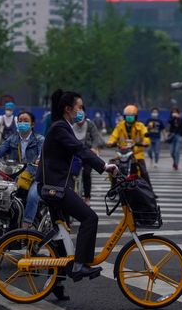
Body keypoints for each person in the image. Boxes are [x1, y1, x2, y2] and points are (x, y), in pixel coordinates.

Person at [39, 89, 118, 284]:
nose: (82, 111)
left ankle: (56, 283)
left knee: (60, 234)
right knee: (89, 217)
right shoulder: (60, 128)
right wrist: (104, 165)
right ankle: (80, 264)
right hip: (54, 187)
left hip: (54, 184)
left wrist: (92, 159)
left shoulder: (63, 127)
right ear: (68, 109)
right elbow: (78, 149)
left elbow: (77, 152)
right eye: (79, 107)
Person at [0, 111, 45, 228]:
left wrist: (39, 160)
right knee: (0, 193)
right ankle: (4, 221)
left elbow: (42, 154)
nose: (22, 123)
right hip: (15, 176)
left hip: (34, 177)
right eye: (20, 121)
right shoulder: (12, 139)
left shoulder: (39, 139)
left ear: (32, 124)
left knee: (33, 196)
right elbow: (1, 149)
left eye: (26, 121)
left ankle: (25, 225)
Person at [107, 105, 152, 187]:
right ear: (124, 117)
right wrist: (110, 142)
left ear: (136, 117)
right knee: (112, 166)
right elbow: (113, 136)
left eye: (132, 116)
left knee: (143, 170)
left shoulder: (141, 126)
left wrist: (146, 142)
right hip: (122, 153)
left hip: (137, 153)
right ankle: (113, 187)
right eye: (128, 116)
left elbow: (145, 135)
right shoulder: (119, 126)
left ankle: (149, 190)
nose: (130, 118)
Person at [71, 107, 105, 206]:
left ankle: (87, 197)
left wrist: (94, 148)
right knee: (71, 175)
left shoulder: (90, 124)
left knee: (86, 174)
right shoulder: (70, 125)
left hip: (87, 153)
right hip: (74, 154)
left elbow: (96, 137)